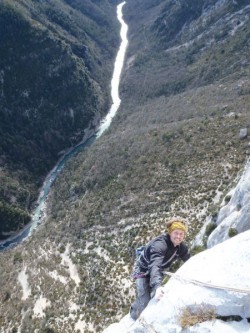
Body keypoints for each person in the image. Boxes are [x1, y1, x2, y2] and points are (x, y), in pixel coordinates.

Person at [130, 218, 190, 320]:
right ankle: (132, 314)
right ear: (170, 233)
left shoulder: (180, 247)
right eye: (176, 233)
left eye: (181, 234)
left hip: (157, 270)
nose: (178, 236)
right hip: (143, 271)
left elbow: (189, 260)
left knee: (155, 296)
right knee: (144, 302)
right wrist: (157, 286)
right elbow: (155, 265)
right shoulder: (160, 244)